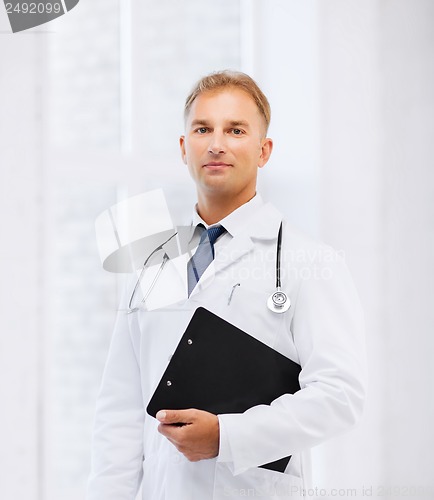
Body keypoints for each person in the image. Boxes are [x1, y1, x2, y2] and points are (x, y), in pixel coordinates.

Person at [87, 70, 366, 499]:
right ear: (184, 149)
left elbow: (339, 396)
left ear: (263, 149)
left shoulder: (310, 261)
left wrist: (227, 436)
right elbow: (120, 410)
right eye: (203, 129)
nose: (217, 143)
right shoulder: (153, 259)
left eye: (236, 130)